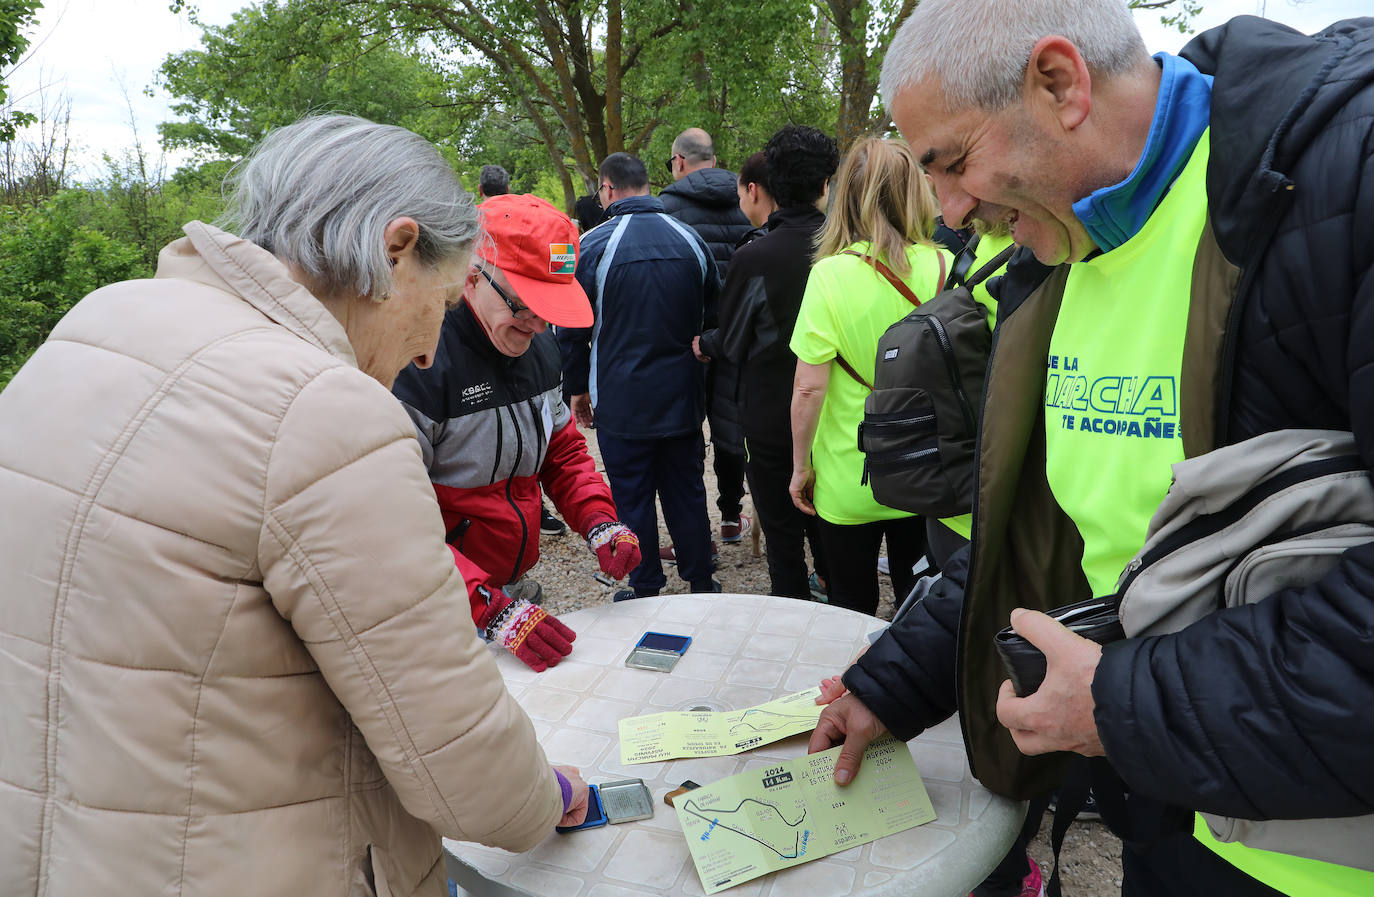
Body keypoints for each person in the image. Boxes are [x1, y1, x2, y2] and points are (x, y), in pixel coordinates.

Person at [811, 3, 1374, 896]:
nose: (952, 212)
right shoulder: (1055, 249)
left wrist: (1117, 704)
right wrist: (894, 681)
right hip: (1171, 804)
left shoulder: (1340, 180)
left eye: (955, 164)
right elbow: (1043, 532)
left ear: (1061, 83)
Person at [0, 115, 589, 896]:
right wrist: (548, 796)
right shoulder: (323, 412)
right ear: (396, 249)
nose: (425, 353)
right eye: (444, 307)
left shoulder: (93, 326)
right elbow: (459, 759)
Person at [392, 193, 642, 672]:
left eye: (551, 305)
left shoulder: (536, 345)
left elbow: (561, 451)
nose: (540, 322)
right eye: (526, 304)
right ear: (470, 275)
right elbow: (391, 523)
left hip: (497, 585)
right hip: (432, 599)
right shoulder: (417, 363)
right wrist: (485, 605)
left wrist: (598, 519)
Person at [787, 136, 950, 616]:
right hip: (925, 467)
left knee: (848, 603)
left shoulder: (829, 275)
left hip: (849, 472)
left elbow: (809, 386)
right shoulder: (946, 266)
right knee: (917, 602)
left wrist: (800, 467)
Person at [559, 152, 722, 601]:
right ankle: (702, 581)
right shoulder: (691, 239)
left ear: (607, 190)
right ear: (647, 185)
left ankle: (645, 584)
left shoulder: (593, 245)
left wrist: (576, 388)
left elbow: (571, 329)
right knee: (686, 490)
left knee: (631, 495)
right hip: (683, 395)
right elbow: (715, 316)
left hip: (620, 396)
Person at [696, 125, 839, 602]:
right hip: (839, 408)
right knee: (831, 521)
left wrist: (703, 343)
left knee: (781, 528)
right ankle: (838, 599)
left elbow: (734, 339)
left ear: (766, 186)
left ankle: (793, 607)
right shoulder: (847, 247)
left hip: (771, 410)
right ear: (825, 185)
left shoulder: (756, 255)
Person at [659, 126, 753, 552]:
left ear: (679, 161)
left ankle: (696, 530)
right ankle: (731, 516)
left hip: (685, 343)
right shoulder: (748, 200)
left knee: (687, 436)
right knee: (734, 432)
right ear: (713, 160)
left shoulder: (665, 208)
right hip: (740, 341)